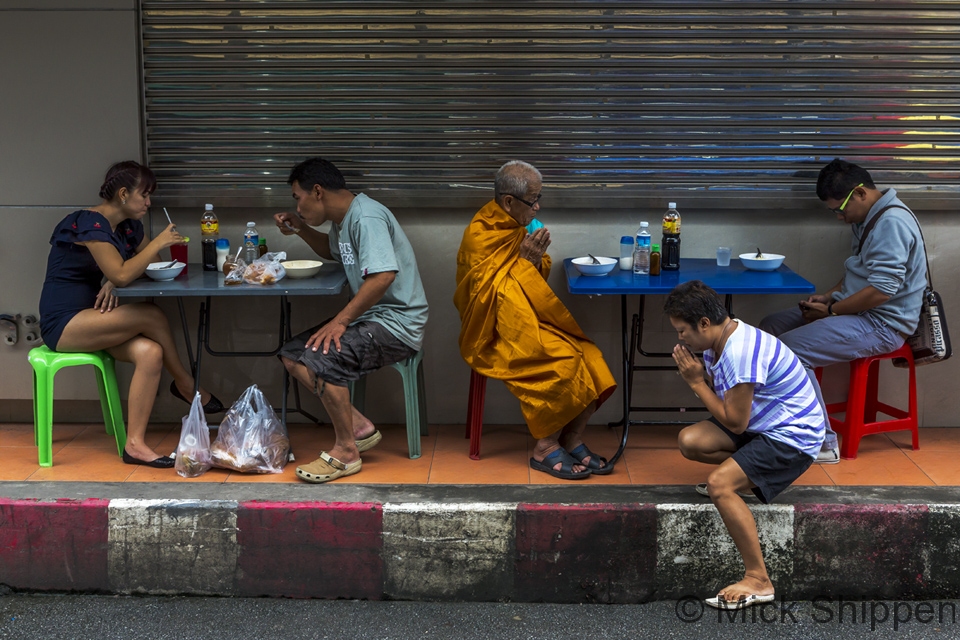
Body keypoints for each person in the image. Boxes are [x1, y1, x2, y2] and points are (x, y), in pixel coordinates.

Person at [38, 161, 222, 469]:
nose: (149, 203)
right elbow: (127, 273)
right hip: (65, 323)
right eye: (145, 195)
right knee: (149, 314)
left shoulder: (126, 228)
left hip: (96, 319)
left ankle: (134, 445)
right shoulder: (89, 223)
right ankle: (186, 384)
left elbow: (153, 265)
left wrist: (115, 275)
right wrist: (122, 271)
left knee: (151, 351)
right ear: (123, 194)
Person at [665, 280, 825, 609]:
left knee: (719, 485)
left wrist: (696, 382)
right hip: (761, 423)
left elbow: (735, 422)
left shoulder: (740, 351)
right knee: (691, 441)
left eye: (683, 331)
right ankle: (749, 473)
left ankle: (758, 580)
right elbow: (731, 407)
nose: (680, 338)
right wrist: (701, 378)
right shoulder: (716, 342)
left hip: (793, 437)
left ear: (705, 323)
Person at [454, 160, 616, 480]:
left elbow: (533, 286)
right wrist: (525, 264)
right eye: (533, 200)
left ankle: (570, 436)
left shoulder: (525, 226)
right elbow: (485, 298)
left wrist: (532, 264)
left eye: (540, 197)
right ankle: (544, 446)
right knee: (563, 361)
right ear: (509, 202)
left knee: (590, 355)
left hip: (526, 317)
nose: (538, 206)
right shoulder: (480, 234)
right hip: (491, 330)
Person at [759, 158, 927, 463]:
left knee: (792, 350)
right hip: (855, 313)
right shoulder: (868, 218)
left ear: (860, 193)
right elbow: (858, 273)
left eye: (840, 209)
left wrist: (833, 310)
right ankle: (776, 423)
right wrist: (827, 297)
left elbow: (880, 291)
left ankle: (822, 442)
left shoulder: (892, 223)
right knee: (770, 328)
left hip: (882, 324)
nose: (839, 217)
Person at [275, 157, 428, 483]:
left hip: (396, 324)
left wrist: (341, 321)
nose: (297, 205)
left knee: (321, 357)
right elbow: (333, 252)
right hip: (372, 317)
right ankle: (358, 426)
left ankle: (346, 451)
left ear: (317, 191)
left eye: (297, 197)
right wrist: (300, 228)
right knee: (292, 353)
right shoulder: (343, 220)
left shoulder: (366, 217)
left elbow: (384, 275)